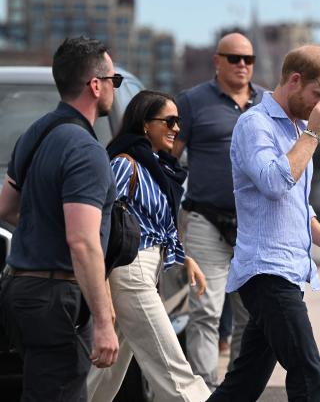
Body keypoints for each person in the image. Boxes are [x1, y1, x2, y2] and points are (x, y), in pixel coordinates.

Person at [208, 44, 320, 402]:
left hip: (287, 271)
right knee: (310, 380)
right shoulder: (255, 124)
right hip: (267, 272)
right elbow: (274, 182)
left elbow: (298, 205)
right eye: (319, 94)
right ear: (295, 80)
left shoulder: (297, 129)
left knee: (242, 385)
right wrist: (313, 135)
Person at [0, 37, 119, 401]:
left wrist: (50, 217)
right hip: (57, 299)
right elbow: (82, 242)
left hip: (20, 290)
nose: (114, 88)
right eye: (113, 80)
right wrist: (102, 321)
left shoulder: (35, 133)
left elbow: (5, 206)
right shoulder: (85, 149)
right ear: (95, 86)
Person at [86, 90, 211, 401]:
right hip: (130, 273)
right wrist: (102, 292)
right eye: (168, 121)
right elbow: (101, 227)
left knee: (104, 374)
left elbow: (161, 225)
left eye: (178, 122)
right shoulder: (125, 164)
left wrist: (185, 259)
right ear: (144, 125)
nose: (177, 129)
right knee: (173, 369)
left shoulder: (157, 167)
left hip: (148, 272)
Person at [173, 32, 265, 388]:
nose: (242, 65)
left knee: (249, 315)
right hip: (205, 219)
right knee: (205, 312)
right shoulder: (193, 102)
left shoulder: (266, 104)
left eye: (248, 59)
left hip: (254, 225)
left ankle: (236, 391)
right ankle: (204, 391)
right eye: (234, 58)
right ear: (217, 61)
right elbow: (169, 160)